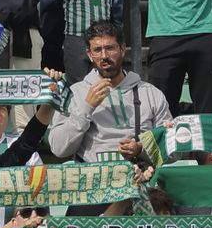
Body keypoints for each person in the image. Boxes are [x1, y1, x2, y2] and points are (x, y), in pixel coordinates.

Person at [47, 20, 171, 161]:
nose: (104, 56)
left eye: (110, 48)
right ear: (89, 54)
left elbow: (173, 150)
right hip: (92, 178)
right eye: (97, 50)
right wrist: (86, 108)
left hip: (139, 176)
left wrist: (141, 149)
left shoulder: (150, 93)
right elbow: (58, 149)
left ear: (122, 49)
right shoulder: (74, 93)